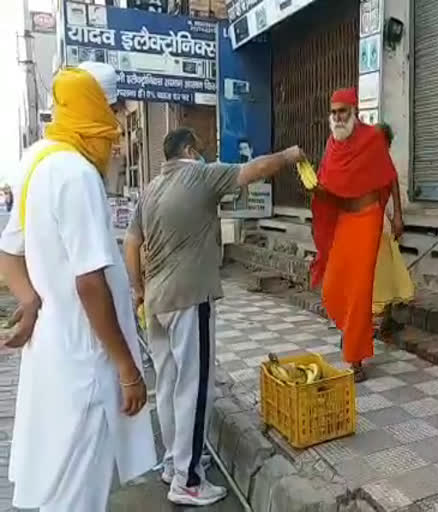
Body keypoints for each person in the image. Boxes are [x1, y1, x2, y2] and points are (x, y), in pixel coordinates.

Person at [0, 62, 155, 512]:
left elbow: (9, 253)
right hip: (86, 360)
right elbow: (89, 282)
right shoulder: (77, 173)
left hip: (51, 350)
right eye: (114, 114)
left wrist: (30, 301)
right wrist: (127, 367)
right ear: (96, 109)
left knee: (57, 475)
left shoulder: (36, 161)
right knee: (79, 490)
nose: (115, 128)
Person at [124, 127, 304, 506]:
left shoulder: (151, 189)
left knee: (171, 386)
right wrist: (289, 157)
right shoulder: (200, 175)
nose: (203, 155)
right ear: (189, 150)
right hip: (191, 299)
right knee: (195, 387)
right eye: (200, 149)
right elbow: (252, 170)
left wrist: (138, 288)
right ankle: (188, 481)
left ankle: (175, 464)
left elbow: (131, 241)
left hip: (156, 303)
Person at [310, 88, 398, 382]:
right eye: (333, 112)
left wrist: (398, 214)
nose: (337, 117)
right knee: (335, 284)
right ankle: (352, 332)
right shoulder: (332, 145)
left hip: (369, 218)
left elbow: (390, 175)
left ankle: (356, 358)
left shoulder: (372, 138)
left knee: (360, 289)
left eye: (342, 112)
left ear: (353, 111)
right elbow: (328, 185)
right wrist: (311, 186)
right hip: (344, 220)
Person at [372, 122, 411, 334]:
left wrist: (397, 215)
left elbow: (393, 185)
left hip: (380, 225)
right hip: (366, 225)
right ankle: (363, 325)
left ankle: (384, 319)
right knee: (376, 274)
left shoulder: (384, 162)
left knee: (386, 272)